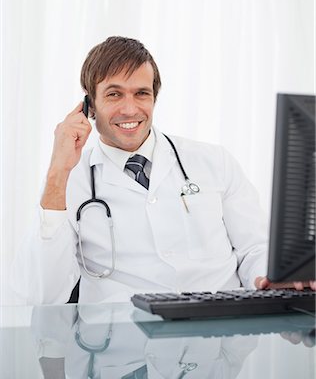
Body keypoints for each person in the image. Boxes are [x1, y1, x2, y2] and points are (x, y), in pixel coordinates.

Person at [11, 36, 312, 305]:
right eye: (114, 94)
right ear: (89, 104)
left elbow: (254, 248)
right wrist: (57, 172)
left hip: (217, 336)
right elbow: (43, 294)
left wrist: (268, 277)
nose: (130, 109)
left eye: (141, 93)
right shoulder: (69, 181)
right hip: (119, 347)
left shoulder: (213, 162)